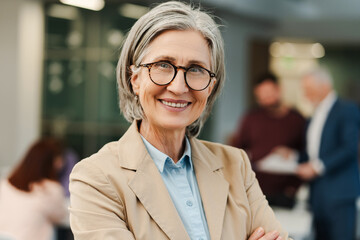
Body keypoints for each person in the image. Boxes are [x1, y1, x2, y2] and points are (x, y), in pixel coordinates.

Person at [69, 2, 292, 240]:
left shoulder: (236, 165)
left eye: (196, 69)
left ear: (210, 87)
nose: (178, 87)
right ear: (134, 79)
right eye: (163, 65)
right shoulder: (96, 178)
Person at [296, 67, 360, 240]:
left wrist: (316, 168)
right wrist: (294, 157)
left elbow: (350, 148)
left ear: (324, 86)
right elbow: (313, 152)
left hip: (340, 195)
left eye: (309, 90)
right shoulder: (313, 116)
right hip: (318, 197)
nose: (306, 95)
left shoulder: (347, 110)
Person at [230, 73, 305, 208]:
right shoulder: (251, 118)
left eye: (269, 94)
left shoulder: (297, 120)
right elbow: (237, 151)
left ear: (279, 90)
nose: (267, 99)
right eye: (262, 96)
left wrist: (294, 188)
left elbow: (306, 155)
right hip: (255, 191)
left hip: (286, 193)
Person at [0, 137, 68, 240]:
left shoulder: (6, 183)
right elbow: (61, 216)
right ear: (50, 161)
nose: (61, 163)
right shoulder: (49, 189)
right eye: (59, 158)